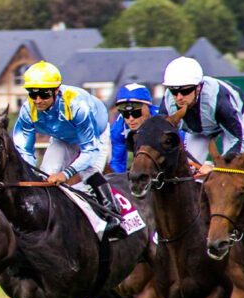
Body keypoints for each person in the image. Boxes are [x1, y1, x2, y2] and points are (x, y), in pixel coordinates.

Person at [12, 60, 124, 237]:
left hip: (93, 135)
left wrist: (65, 174)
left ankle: (113, 216)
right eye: (33, 94)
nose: (38, 100)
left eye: (43, 94)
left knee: (89, 172)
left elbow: (89, 150)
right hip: (62, 136)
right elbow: (24, 150)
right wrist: (27, 174)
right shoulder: (27, 110)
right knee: (44, 175)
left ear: (56, 91)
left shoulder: (77, 106)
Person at [158, 56, 244, 176]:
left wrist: (215, 166)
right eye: (174, 91)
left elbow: (242, 139)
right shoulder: (168, 102)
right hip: (198, 130)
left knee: (228, 173)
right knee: (188, 173)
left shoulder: (218, 102)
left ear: (198, 88)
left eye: (185, 91)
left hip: (232, 126)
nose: (179, 97)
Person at [108, 83, 158, 173]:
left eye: (136, 113)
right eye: (125, 114)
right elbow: (117, 162)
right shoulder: (117, 129)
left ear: (148, 108)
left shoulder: (163, 121)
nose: (130, 119)